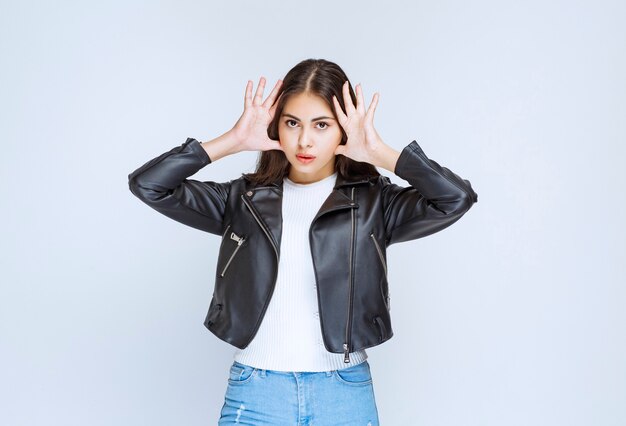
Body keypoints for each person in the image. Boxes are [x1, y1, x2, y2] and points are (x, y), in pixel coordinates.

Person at [128, 58, 478, 425]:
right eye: (292, 123)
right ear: (276, 125)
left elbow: (455, 198)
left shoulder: (375, 202)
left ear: (342, 129)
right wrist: (233, 141)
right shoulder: (243, 199)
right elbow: (149, 184)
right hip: (256, 389)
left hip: (342, 391)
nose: (304, 140)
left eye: (321, 125)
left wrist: (380, 154)